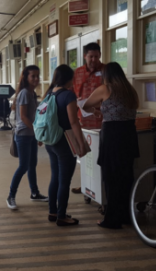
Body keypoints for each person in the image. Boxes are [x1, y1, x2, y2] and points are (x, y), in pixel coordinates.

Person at [83, 62, 139, 229]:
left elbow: (85, 105)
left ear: (106, 75)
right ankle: (126, 215)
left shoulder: (105, 89)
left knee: (111, 177)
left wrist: (98, 110)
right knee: (126, 176)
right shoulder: (130, 90)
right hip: (129, 134)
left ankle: (112, 219)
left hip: (112, 135)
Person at [44, 64, 89, 226]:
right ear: (69, 78)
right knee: (64, 181)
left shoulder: (49, 93)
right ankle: (62, 216)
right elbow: (73, 122)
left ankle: (53, 211)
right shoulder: (68, 96)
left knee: (55, 178)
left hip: (51, 142)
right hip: (65, 144)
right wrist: (81, 145)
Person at [6, 65, 48, 210]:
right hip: (23, 135)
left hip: (31, 135)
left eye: (38, 76)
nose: (36, 79)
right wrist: (38, 132)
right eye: (33, 76)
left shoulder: (31, 93)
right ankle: (11, 196)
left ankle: (35, 193)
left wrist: (37, 135)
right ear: (26, 77)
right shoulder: (24, 93)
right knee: (23, 166)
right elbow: (23, 116)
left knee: (32, 165)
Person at [71, 42, 105, 195]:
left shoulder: (106, 71)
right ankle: (85, 184)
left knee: (100, 156)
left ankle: (99, 187)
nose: (93, 60)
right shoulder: (77, 73)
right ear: (85, 56)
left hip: (101, 120)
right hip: (82, 120)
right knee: (84, 154)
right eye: (90, 57)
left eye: (96, 57)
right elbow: (72, 92)